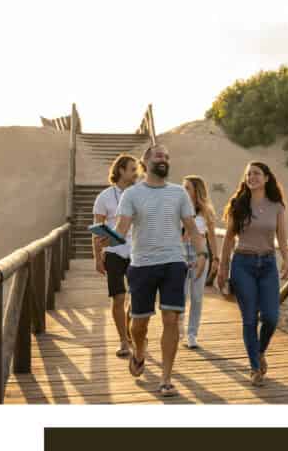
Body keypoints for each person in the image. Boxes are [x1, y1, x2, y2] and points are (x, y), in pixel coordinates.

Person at [111, 143, 207, 398]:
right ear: (146, 161)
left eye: (167, 156)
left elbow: (193, 229)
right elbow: (121, 231)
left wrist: (202, 253)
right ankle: (140, 352)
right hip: (142, 264)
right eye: (158, 155)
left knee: (171, 319)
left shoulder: (178, 193)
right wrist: (105, 240)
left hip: (174, 263)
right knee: (139, 323)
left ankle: (166, 379)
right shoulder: (132, 194)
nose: (164, 159)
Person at [217, 162, 288, 387]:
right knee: (249, 319)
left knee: (271, 317)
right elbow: (229, 239)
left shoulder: (276, 205)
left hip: (267, 264)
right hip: (243, 264)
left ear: (267, 178)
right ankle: (255, 368)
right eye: (248, 174)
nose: (252, 177)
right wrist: (222, 268)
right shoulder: (238, 204)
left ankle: (259, 351)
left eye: (256, 174)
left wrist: (286, 259)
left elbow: (282, 235)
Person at [92, 153, 139, 358]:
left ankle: (130, 333)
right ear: (121, 170)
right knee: (118, 297)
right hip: (113, 253)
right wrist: (97, 257)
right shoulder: (104, 197)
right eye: (132, 169)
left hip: (137, 252)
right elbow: (98, 230)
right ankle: (123, 341)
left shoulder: (139, 194)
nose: (136, 173)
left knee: (137, 299)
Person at [181, 175, 220, 349]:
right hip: (181, 254)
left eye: (187, 187)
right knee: (181, 296)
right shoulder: (178, 208)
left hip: (200, 255)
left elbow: (211, 236)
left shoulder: (206, 211)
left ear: (196, 191)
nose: (183, 190)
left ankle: (192, 334)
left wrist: (216, 259)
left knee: (197, 297)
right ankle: (179, 330)